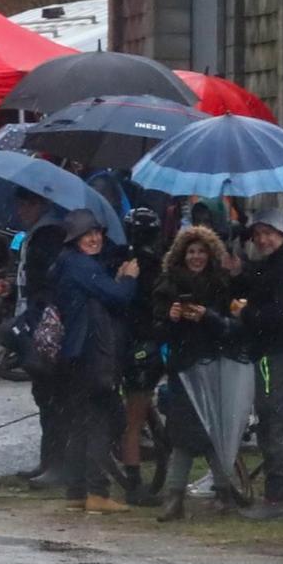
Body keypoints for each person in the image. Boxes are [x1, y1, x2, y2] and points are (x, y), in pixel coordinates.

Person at [149, 223, 246, 520]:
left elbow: (233, 328)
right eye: (191, 251)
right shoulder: (167, 286)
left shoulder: (221, 284)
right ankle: (177, 497)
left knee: (213, 431)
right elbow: (157, 329)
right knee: (182, 435)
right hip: (183, 367)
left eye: (201, 251)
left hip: (213, 364)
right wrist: (172, 318)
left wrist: (208, 316)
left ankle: (222, 493)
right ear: (181, 255)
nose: (196, 257)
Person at [50, 209, 141, 514]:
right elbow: (118, 297)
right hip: (90, 354)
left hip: (75, 355)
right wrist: (128, 279)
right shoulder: (79, 266)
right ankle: (97, 492)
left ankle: (77, 490)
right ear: (74, 240)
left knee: (80, 423)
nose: (93, 239)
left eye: (96, 233)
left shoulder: (69, 265)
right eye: (86, 235)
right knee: (107, 419)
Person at [233, 207, 283, 520]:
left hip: (274, 352)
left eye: (269, 233)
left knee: (273, 423)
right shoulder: (275, 266)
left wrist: (246, 314)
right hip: (281, 350)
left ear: (282, 234)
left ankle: (277, 498)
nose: (263, 239)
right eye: (259, 233)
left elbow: (279, 314)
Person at [8, 189, 70, 485]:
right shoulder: (35, 233)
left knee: (51, 394)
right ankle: (47, 460)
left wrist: (35, 313)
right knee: (42, 395)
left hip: (42, 321)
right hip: (31, 314)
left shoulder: (48, 235)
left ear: (37, 204)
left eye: (25, 205)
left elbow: (46, 282)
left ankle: (56, 463)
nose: (20, 211)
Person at [116, 206, 167, 504]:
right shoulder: (153, 267)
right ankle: (134, 485)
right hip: (146, 347)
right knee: (134, 420)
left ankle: (134, 477)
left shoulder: (123, 264)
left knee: (135, 415)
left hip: (130, 346)